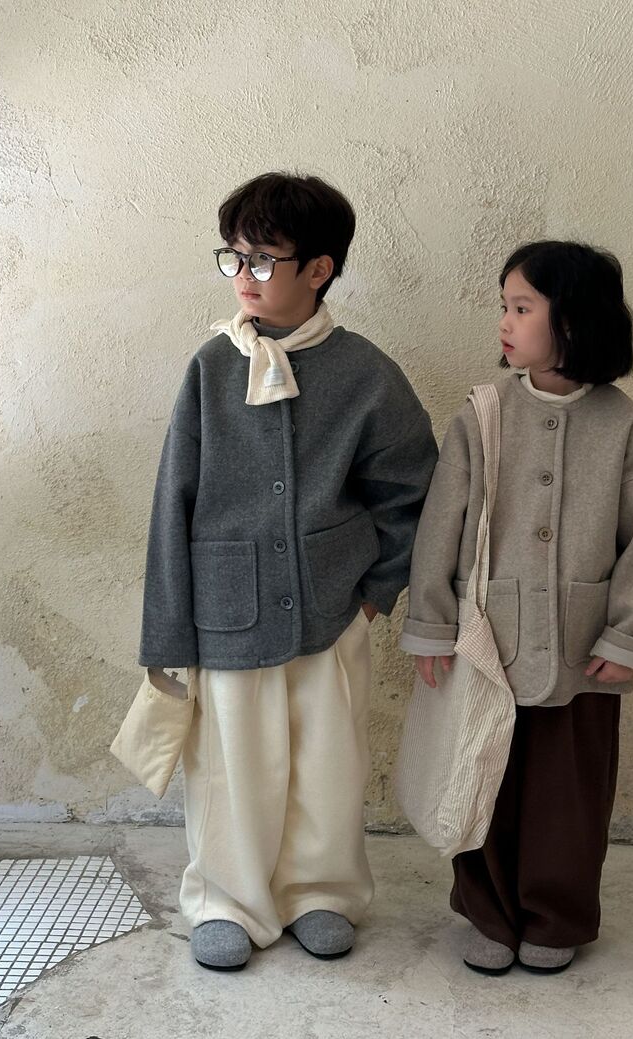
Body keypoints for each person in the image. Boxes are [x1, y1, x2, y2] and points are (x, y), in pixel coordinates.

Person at [139, 172, 438, 970]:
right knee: (229, 766)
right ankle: (226, 900)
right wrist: (167, 634)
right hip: (226, 610)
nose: (244, 275)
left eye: (264, 259)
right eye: (233, 256)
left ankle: (321, 892)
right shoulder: (211, 367)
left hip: (331, 611)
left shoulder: (366, 373)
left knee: (328, 764)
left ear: (319, 269)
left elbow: (416, 491)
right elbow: (173, 502)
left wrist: (374, 594)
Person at [400, 240, 633, 976]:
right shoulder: (483, 415)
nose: (505, 321)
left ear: (573, 319)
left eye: (522, 307)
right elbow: (442, 526)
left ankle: (556, 917)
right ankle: (489, 913)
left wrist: (628, 636)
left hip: (583, 652)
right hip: (489, 641)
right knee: (481, 780)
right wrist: (431, 626)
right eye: (505, 306)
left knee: (569, 797)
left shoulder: (624, 425)